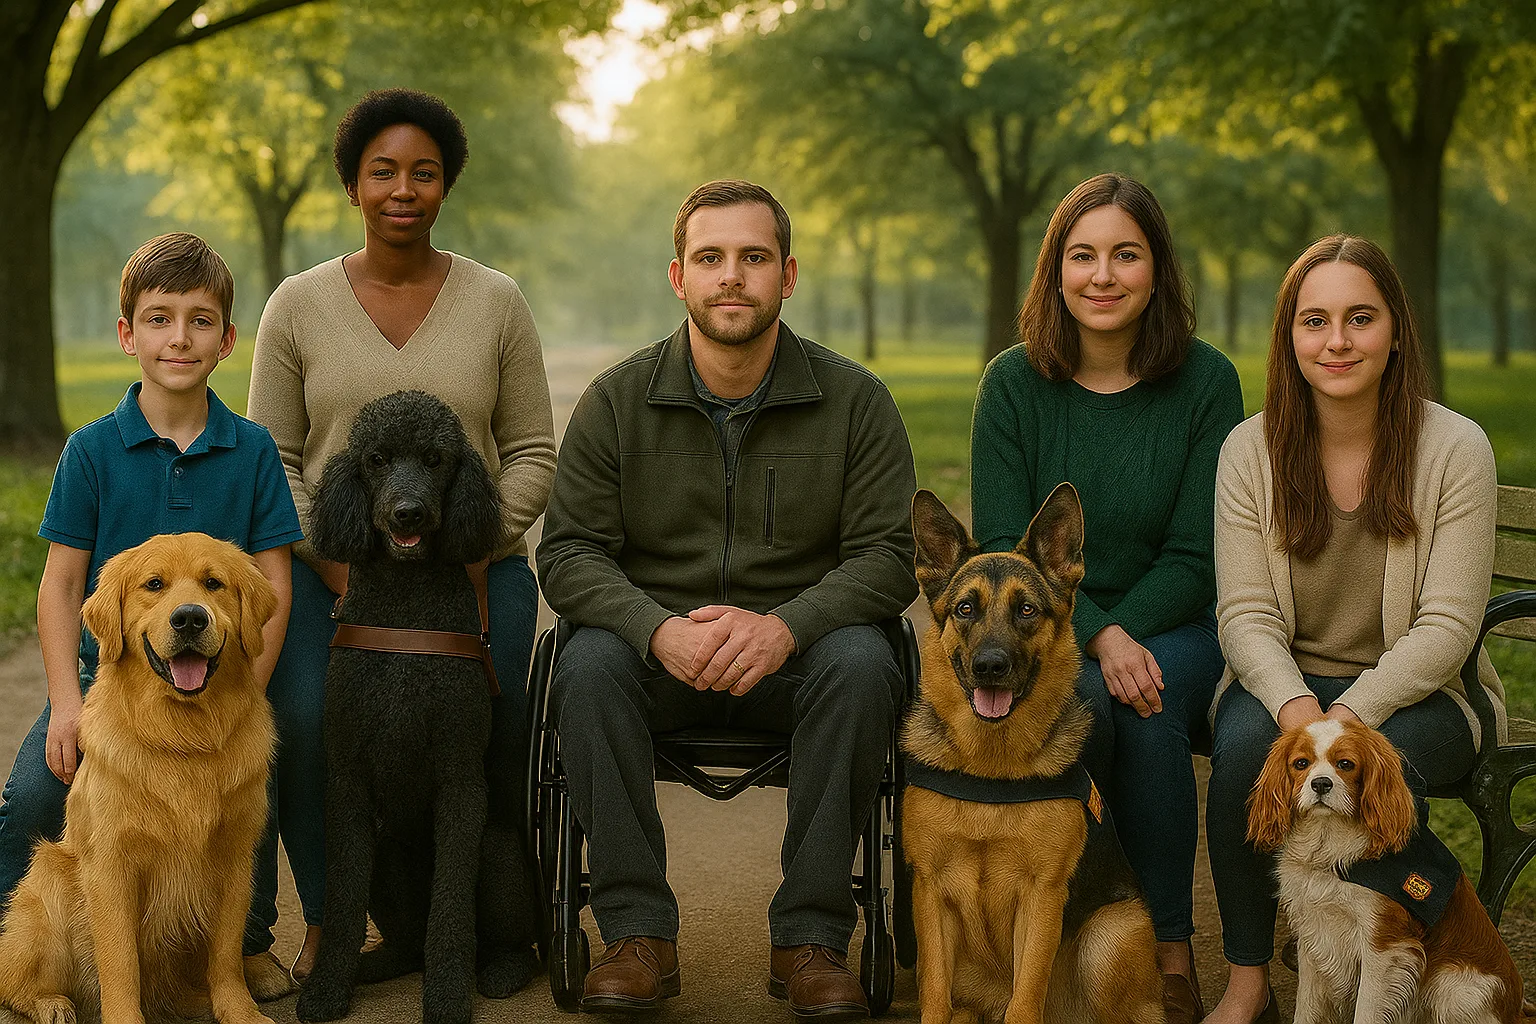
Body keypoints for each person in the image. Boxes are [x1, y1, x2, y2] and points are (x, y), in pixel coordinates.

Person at [536, 179, 917, 1021]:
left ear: (788, 274)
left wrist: (786, 628)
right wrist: (654, 629)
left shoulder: (856, 402)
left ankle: (811, 941)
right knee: (586, 663)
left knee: (864, 661)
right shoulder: (616, 402)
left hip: (801, 665)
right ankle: (636, 936)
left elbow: (889, 559)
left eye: (754, 257)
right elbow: (566, 554)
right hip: (657, 663)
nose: (732, 276)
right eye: (711, 258)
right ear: (679, 277)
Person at [245, 88, 555, 985]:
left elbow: (532, 451)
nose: (403, 190)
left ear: (446, 184)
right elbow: (276, 457)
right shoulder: (296, 305)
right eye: (383, 171)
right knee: (306, 723)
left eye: (424, 172)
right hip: (333, 567)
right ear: (353, 184)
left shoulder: (496, 301)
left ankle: (503, 925)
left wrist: (472, 547)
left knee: (497, 733)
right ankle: (321, 927)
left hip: (473, 566)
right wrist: (335, 560)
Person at [1205, 234, 1502, 1024]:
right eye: (1315, 321)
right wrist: (1296, 706)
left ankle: (1381, 958)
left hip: (1426, 693)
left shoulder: (1455, 449)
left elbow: (1447, 625)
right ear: (1290, 338)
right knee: (1243, 758)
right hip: (1288, 685)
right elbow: (1245, 613)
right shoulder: (1249, 451)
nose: (1337, 341)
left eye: (1360, 318)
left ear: (1396, 330)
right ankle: (1248, 979)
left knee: (1386, 767)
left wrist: (1350, 717)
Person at [969, 172, 1244, 1023]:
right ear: (1055, 271)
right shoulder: (1012, 384)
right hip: (1044, 627)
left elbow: (1198, 554)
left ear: (1157, 271)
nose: (1102, 275)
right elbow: (1005, 548)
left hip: (1178, 622)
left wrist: (1124, 634)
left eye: (1126, 255)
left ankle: (1168, 953)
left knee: (1144, 704)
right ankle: (1056, 942)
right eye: (1082, 255)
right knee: (1089, 692)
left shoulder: (1206, 381)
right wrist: (1096, 637)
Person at [0, 233, 301, 933]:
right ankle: (21, 940)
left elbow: (275, 583)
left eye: (201, 321)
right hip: (109, 684)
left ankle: (246, 937)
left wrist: (247, 693)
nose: (179, 338)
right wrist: (67, 705)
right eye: (159, 319)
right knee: (35, 796)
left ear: (227, 340)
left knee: (249, 784)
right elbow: (61, 586)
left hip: (226, 679)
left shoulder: (253, 449)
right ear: (127, 335)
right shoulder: (91, 450)